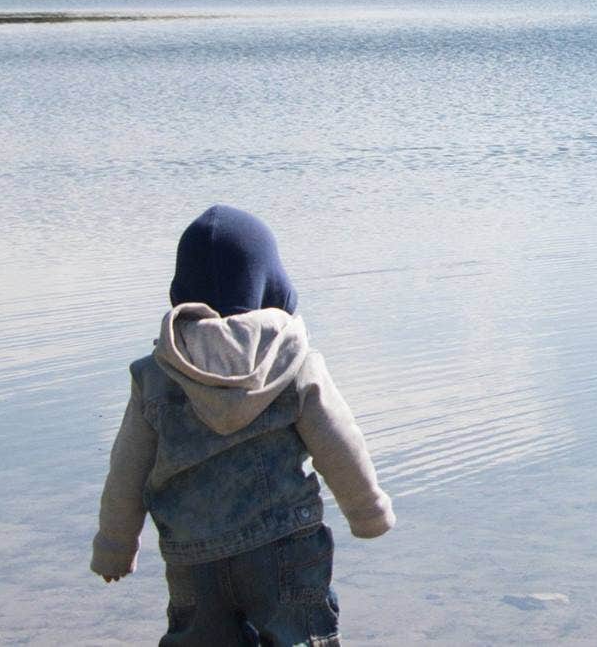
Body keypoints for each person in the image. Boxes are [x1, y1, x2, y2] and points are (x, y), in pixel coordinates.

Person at [93, 205, 395, 646]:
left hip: (193, 556)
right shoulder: (295, 364)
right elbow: (339, 443)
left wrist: (114, 547)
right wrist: (368, 513)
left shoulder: (154, 376)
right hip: (284, 549)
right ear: (273, 284)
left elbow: (126, 469)